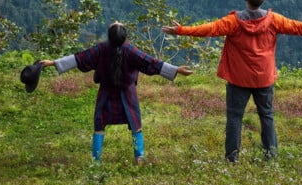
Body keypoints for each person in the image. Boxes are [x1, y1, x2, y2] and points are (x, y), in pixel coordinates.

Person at [162, 0, 302, 163]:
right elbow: (299, 27)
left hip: (238, 79)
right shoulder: (273, 20)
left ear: (246, 0)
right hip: (264, 78)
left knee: (234, 117)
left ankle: (232, 158)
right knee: (267, 116)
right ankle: (271, 156)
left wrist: (181, 30)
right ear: (261, 2)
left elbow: (208, 29)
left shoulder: (233, 21)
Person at [41, 21, 193, 164]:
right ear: (123, 37)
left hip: (106, 93)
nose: (117, 21)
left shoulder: (101, 49)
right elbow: (150, 62)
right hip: (128, 94)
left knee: (99, 124)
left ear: (110, 36)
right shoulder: (130, 50)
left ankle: (96, 160)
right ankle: (139, 157)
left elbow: (79, 58)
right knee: (135, 124)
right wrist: (176, 70)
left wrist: (53, 63)